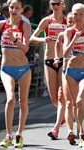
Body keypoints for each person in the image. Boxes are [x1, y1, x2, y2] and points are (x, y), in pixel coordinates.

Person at [0, 0, 31, 148]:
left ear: (21, 9)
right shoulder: (0, 25)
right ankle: (8, 135)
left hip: (23, 69)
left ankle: (19, 134)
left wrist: (14, 39)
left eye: (17, 8)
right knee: (10, 99)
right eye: (11, 7)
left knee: (23, 102)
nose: (13, 10)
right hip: (6, 68)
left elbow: (26, 48)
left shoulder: (24, 25)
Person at [30, 0, 67, 140]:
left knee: (61, 95)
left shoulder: (67, 20)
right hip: (49, 60)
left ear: (63, 4)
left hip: (63, 60)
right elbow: (32, 37)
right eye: (53, 4)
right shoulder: (46, 20)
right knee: (53, 97)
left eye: (57, 3)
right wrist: (43, 39)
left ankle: (56, 128)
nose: (55, 6)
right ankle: (62, 115)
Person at [53, 12, 77, 145]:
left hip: (81, 69)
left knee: (78, 101)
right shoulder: (64, 34)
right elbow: (57, 44)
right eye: (69, 21)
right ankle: (67, 130)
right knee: (66, 100)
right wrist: (57, 57)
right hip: (66, 70)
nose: (72, 23)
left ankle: (78, 127)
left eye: (74, 21)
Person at [63, 3, 84, 148]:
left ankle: (81, 133)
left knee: (80, 99)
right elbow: (64, 53)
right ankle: (80, 131)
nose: (77, 17)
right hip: (71, 71)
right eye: (75, 14)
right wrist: (74, 39)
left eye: (81, 14)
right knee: (76, 104)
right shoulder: (69, 31)